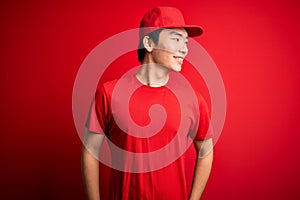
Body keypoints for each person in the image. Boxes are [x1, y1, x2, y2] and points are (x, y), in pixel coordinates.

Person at [82, 6, 213, 200]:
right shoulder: (109, 94)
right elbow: (90, 151)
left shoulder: (193, 100)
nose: (184, 49)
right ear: (149, 43)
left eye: (186, 42)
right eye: (176, 39)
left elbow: (206, 151)